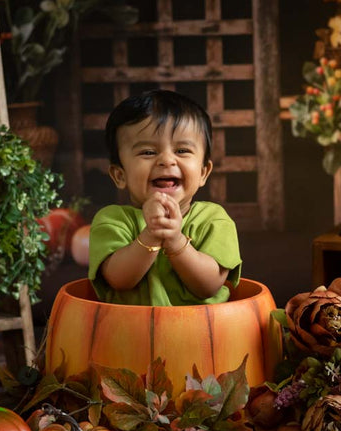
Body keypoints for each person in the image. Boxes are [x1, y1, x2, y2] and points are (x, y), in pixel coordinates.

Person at [88, 89, 241, 306]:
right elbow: (119, 280)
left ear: (203, 173)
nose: (167, 160)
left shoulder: (214, 220)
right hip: (129, 334)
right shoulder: (112, 220)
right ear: (120, 175)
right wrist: (151, 235)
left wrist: (175, 240)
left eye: (182, 150)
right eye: (148, 152)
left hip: (202, 333)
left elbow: (208, 285)